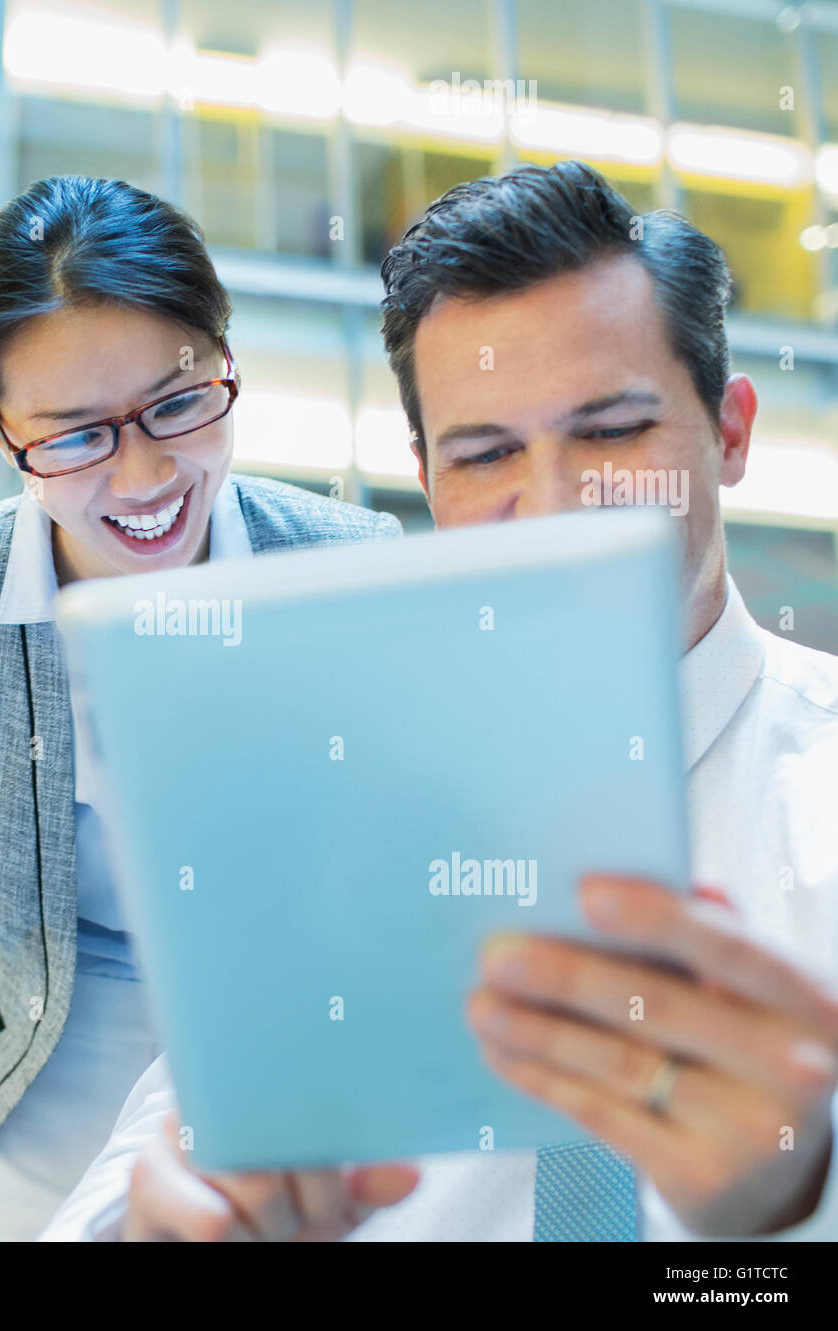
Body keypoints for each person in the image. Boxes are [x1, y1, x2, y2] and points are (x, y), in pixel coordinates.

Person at [41, 160, 838, 1242]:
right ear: (426, 479)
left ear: (729, 432)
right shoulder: (331, 814)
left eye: (611, 431)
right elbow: (138, 1181)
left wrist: (793, 1201)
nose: (555, 506)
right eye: (488, 453)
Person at [0, 174, 406, 1240]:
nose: (146, 472)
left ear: (226, 360)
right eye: (73, 436)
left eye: (179, 404)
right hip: (36, 1066)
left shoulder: (346, 568)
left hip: (290, 1038)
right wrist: (8, 966)